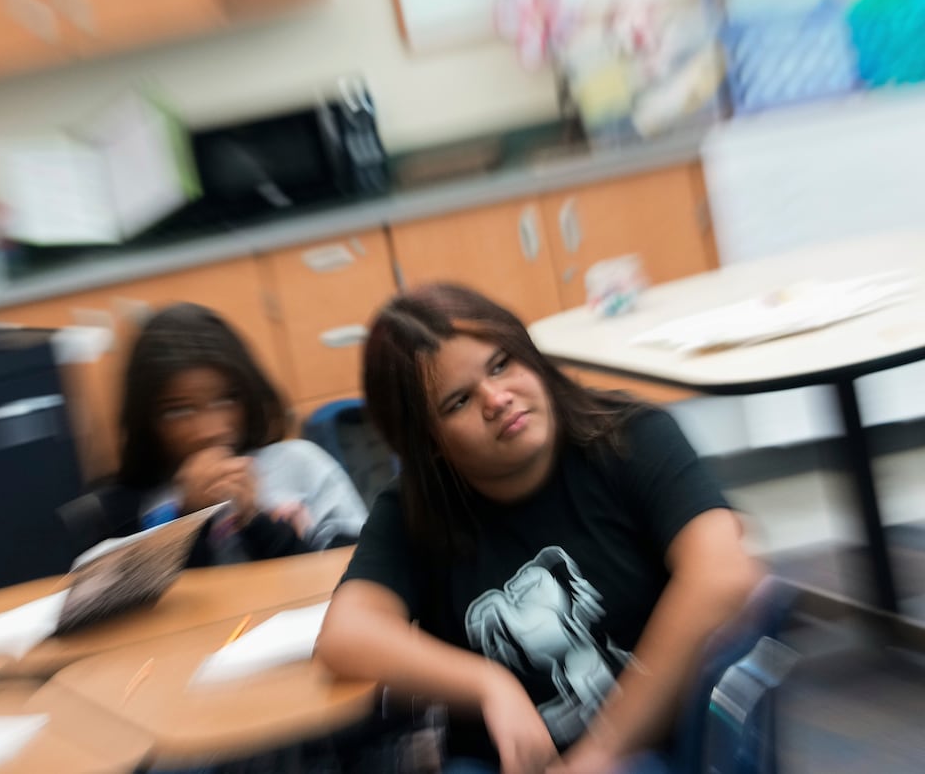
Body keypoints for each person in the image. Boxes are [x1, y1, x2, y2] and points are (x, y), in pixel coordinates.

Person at [315, 284, 762, 774]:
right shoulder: (412, 510)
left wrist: (599, 755)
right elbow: (346, 635)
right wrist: (490, 684)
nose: (498, 398)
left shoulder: (630, 436)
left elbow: (722, 574)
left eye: (502, 363)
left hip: (662, 748)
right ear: (430, 443)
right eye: (459, 400)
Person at [90, 302, 368, 566]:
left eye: (227, 399)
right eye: (177, 411)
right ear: (146, 418)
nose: (210, 430)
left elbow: (358, 570)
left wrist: (256, 521)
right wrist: (192, 522)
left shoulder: (298, 463)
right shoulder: (133, 510)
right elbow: (160, 610)